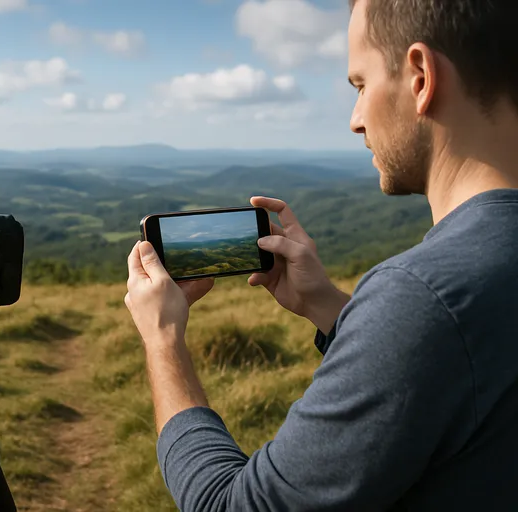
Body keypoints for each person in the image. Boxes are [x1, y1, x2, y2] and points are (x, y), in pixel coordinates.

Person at [124, 0, 518, 510]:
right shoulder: (460, 294)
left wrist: (162, 340)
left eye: (360, 85)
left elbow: (230, 505)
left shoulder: (424, 297)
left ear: (420, 77)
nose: (355, 120)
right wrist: (330, 307)